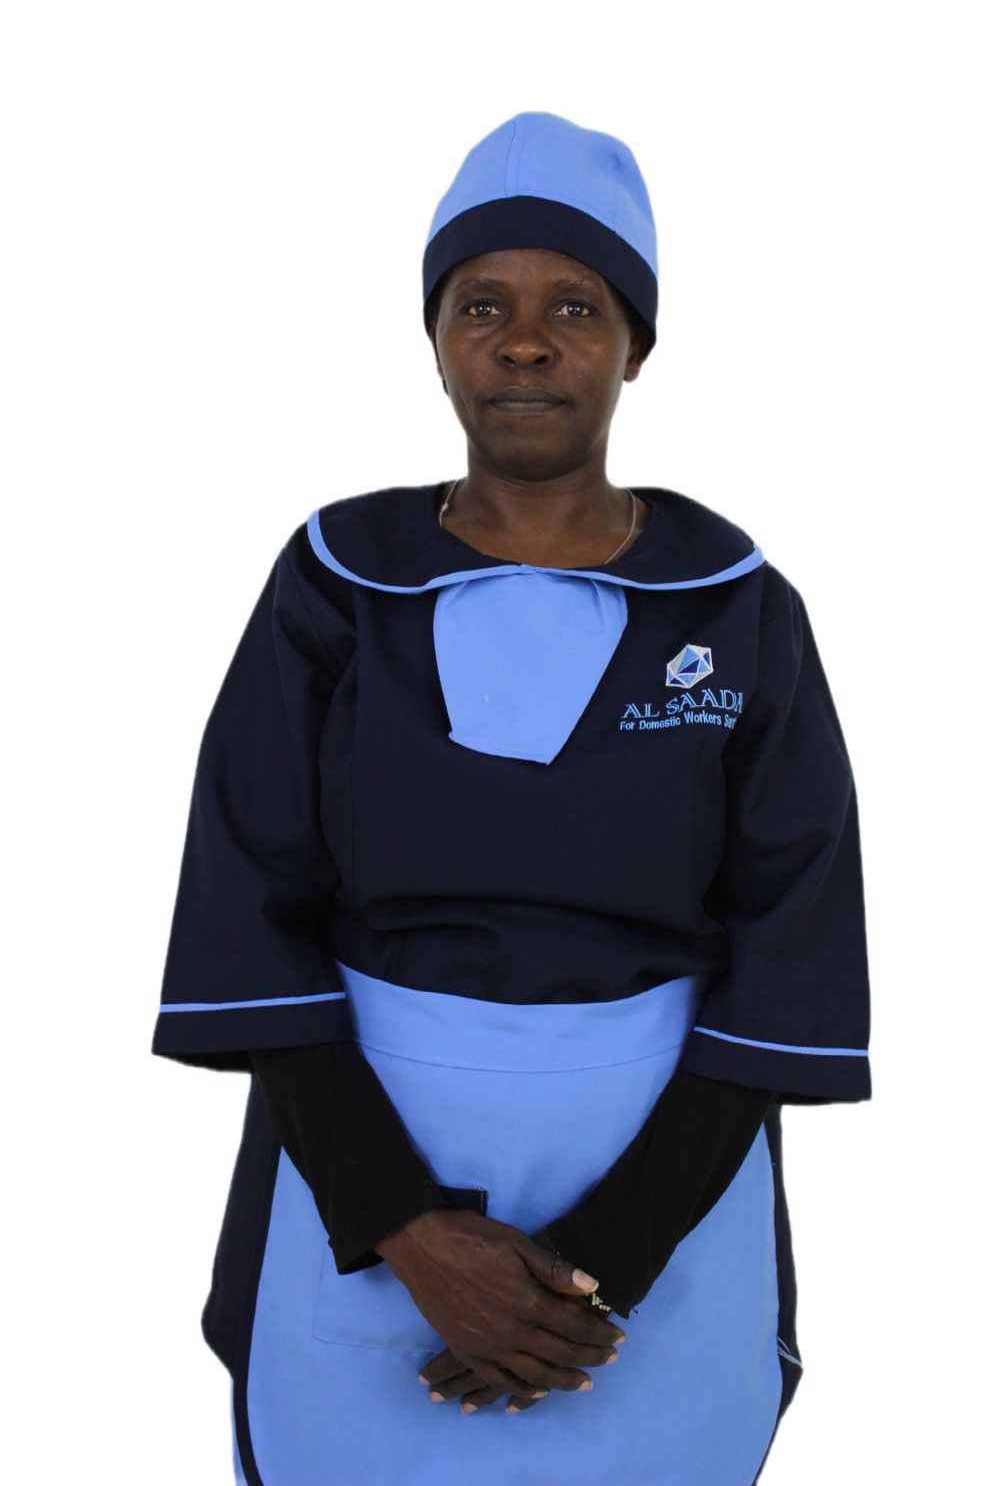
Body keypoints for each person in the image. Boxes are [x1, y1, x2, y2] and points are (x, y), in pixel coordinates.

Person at [152, 111, 871, 1486]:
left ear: (635, 344)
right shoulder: (332, 586)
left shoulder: (737, 608)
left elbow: (794, 955)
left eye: (575, 307)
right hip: (361, 1176)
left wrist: (595, 1267)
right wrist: (406, 1231)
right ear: (434, 338)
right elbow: (246, 914)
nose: (525, 342)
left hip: (666, 1192)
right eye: (481, 304)